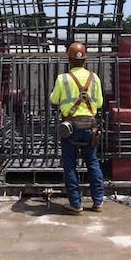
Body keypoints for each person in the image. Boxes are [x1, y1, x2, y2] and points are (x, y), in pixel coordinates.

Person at [50, 41, 104, 214]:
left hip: (70, 128)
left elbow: (53, 100)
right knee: (93, 163)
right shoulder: (94, 78)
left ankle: (76, 204)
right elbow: (100, 103)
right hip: (90, 127)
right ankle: (98, 202)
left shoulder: (62, 79)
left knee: (70, 166)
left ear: (69, 60)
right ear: (85, 60)